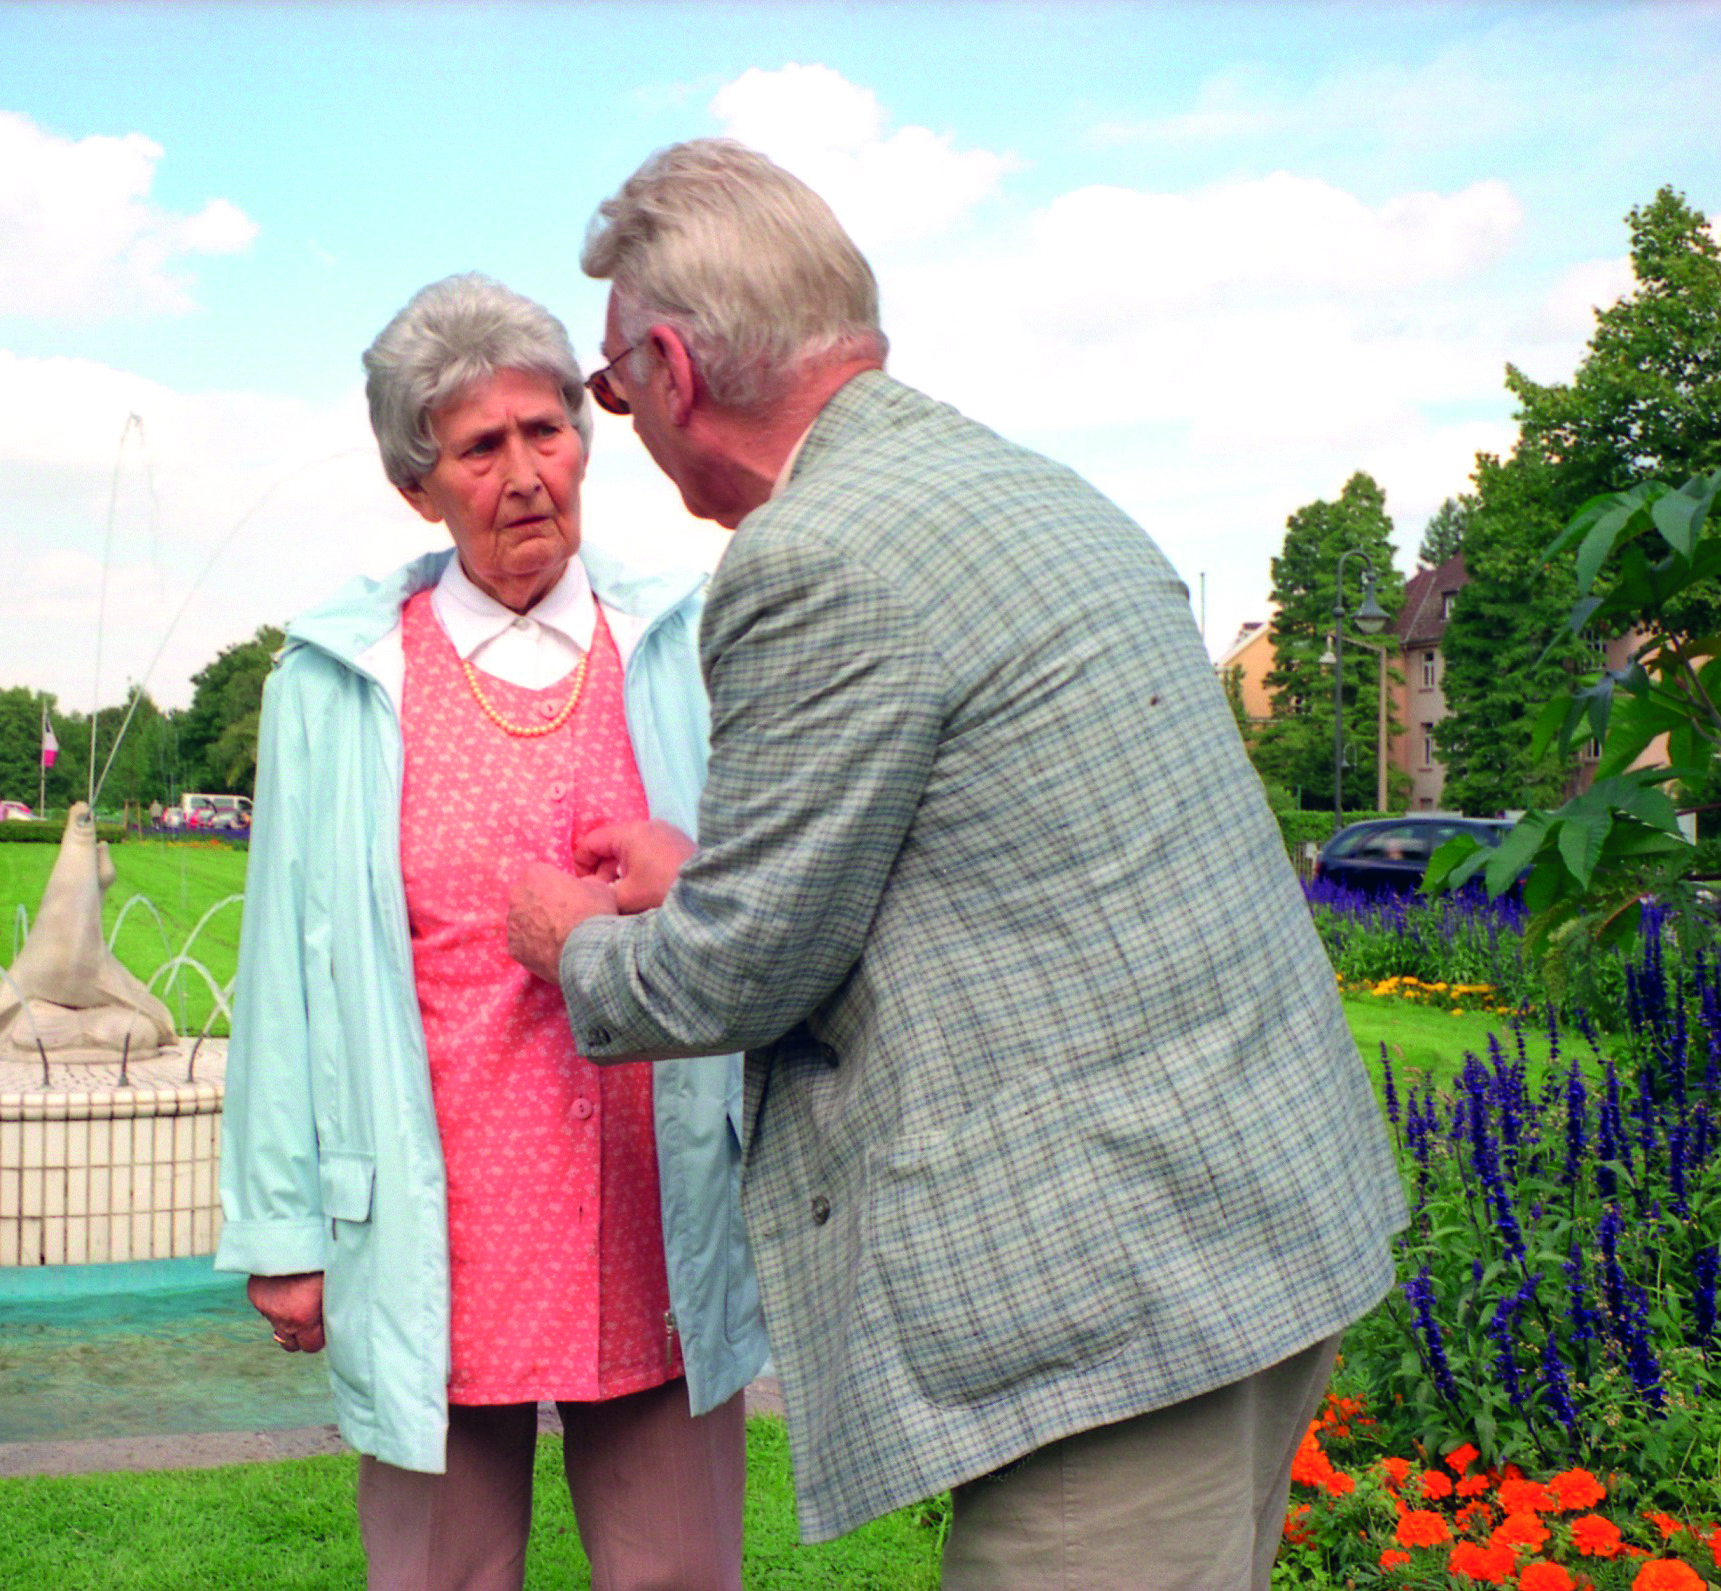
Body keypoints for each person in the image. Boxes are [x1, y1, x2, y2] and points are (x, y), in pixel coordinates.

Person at [506, 140, 1407, 1588]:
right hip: (1256, 1224)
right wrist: (702, 866)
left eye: (606, 393)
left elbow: (736, 973)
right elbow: (990, 854)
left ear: (669, 369)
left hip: (1124, 1307)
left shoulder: (810, 560)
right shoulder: (1016, 488)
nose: (614, 422)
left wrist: (572, 941)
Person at [214, 273, 766, 1591]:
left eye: (548, 428)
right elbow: (286, 960)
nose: (525, 473)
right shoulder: (340, 677)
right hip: (431, 1216)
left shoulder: (683, 638)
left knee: (678, 1572)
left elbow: (760, 893)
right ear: (420, 487)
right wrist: (283, 1228)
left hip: (651, 1195)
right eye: (479, 446)